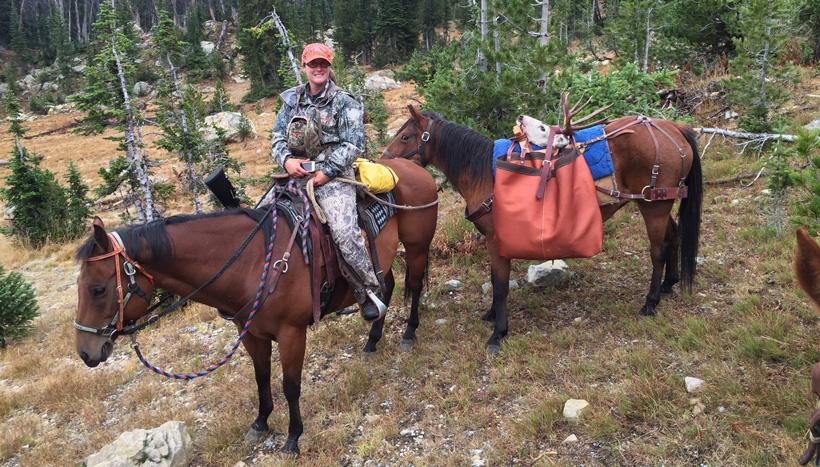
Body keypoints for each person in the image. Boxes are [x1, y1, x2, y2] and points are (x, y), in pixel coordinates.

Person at [270, 43, 386, 322]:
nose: (318, 68)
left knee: (344, 233)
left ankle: (368, 291)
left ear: (329, 66)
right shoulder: (291, 101)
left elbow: (354, 144)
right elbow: (276, 138)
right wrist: (286, 160)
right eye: (313, 64)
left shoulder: (344, 101)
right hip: (295, 175)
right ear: (304, 67)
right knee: (261, 219)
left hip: (334, 177)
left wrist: (327, 172)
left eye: (323, 64)